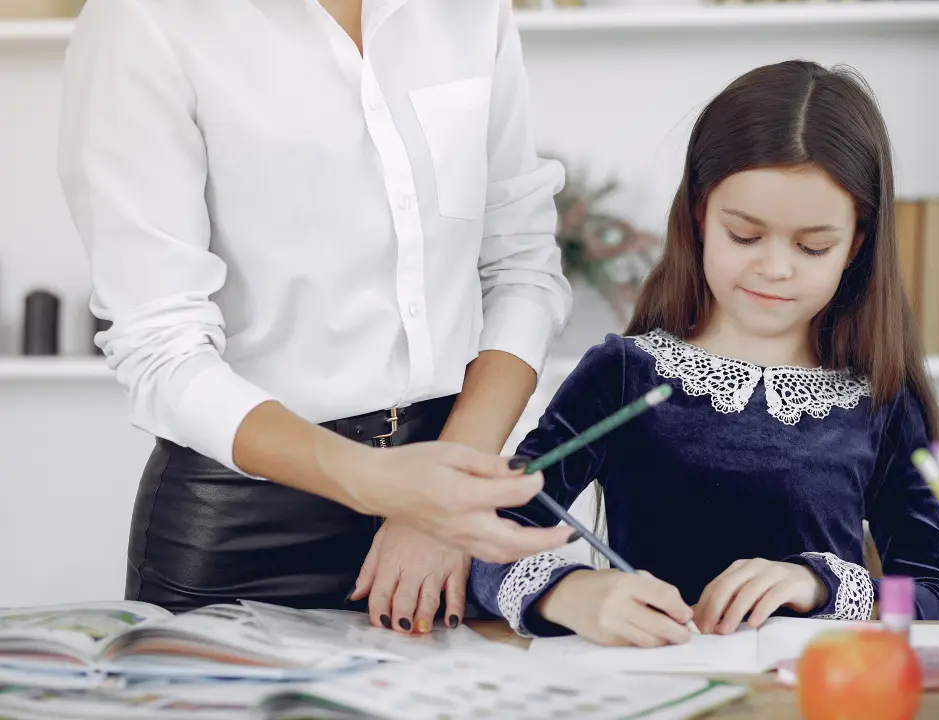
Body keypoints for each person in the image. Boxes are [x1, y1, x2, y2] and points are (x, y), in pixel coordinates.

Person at [56, 0, 575, 629]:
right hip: (247, 532)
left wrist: (442, 495)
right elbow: (161, 348)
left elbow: (522, 267)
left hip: (444, 515)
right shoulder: (144, 19)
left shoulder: (469, 11)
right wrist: (387, 484)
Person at [468, 60, 939, 647]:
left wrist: (820, 586)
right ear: (700, 215)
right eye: (745, 236)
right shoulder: (624, 376)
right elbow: (481, 541)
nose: (775, 268)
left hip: (812, 688)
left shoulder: (881, 395)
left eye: (813, 247)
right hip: (649, 685)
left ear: (856, 245)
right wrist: (570, 592)